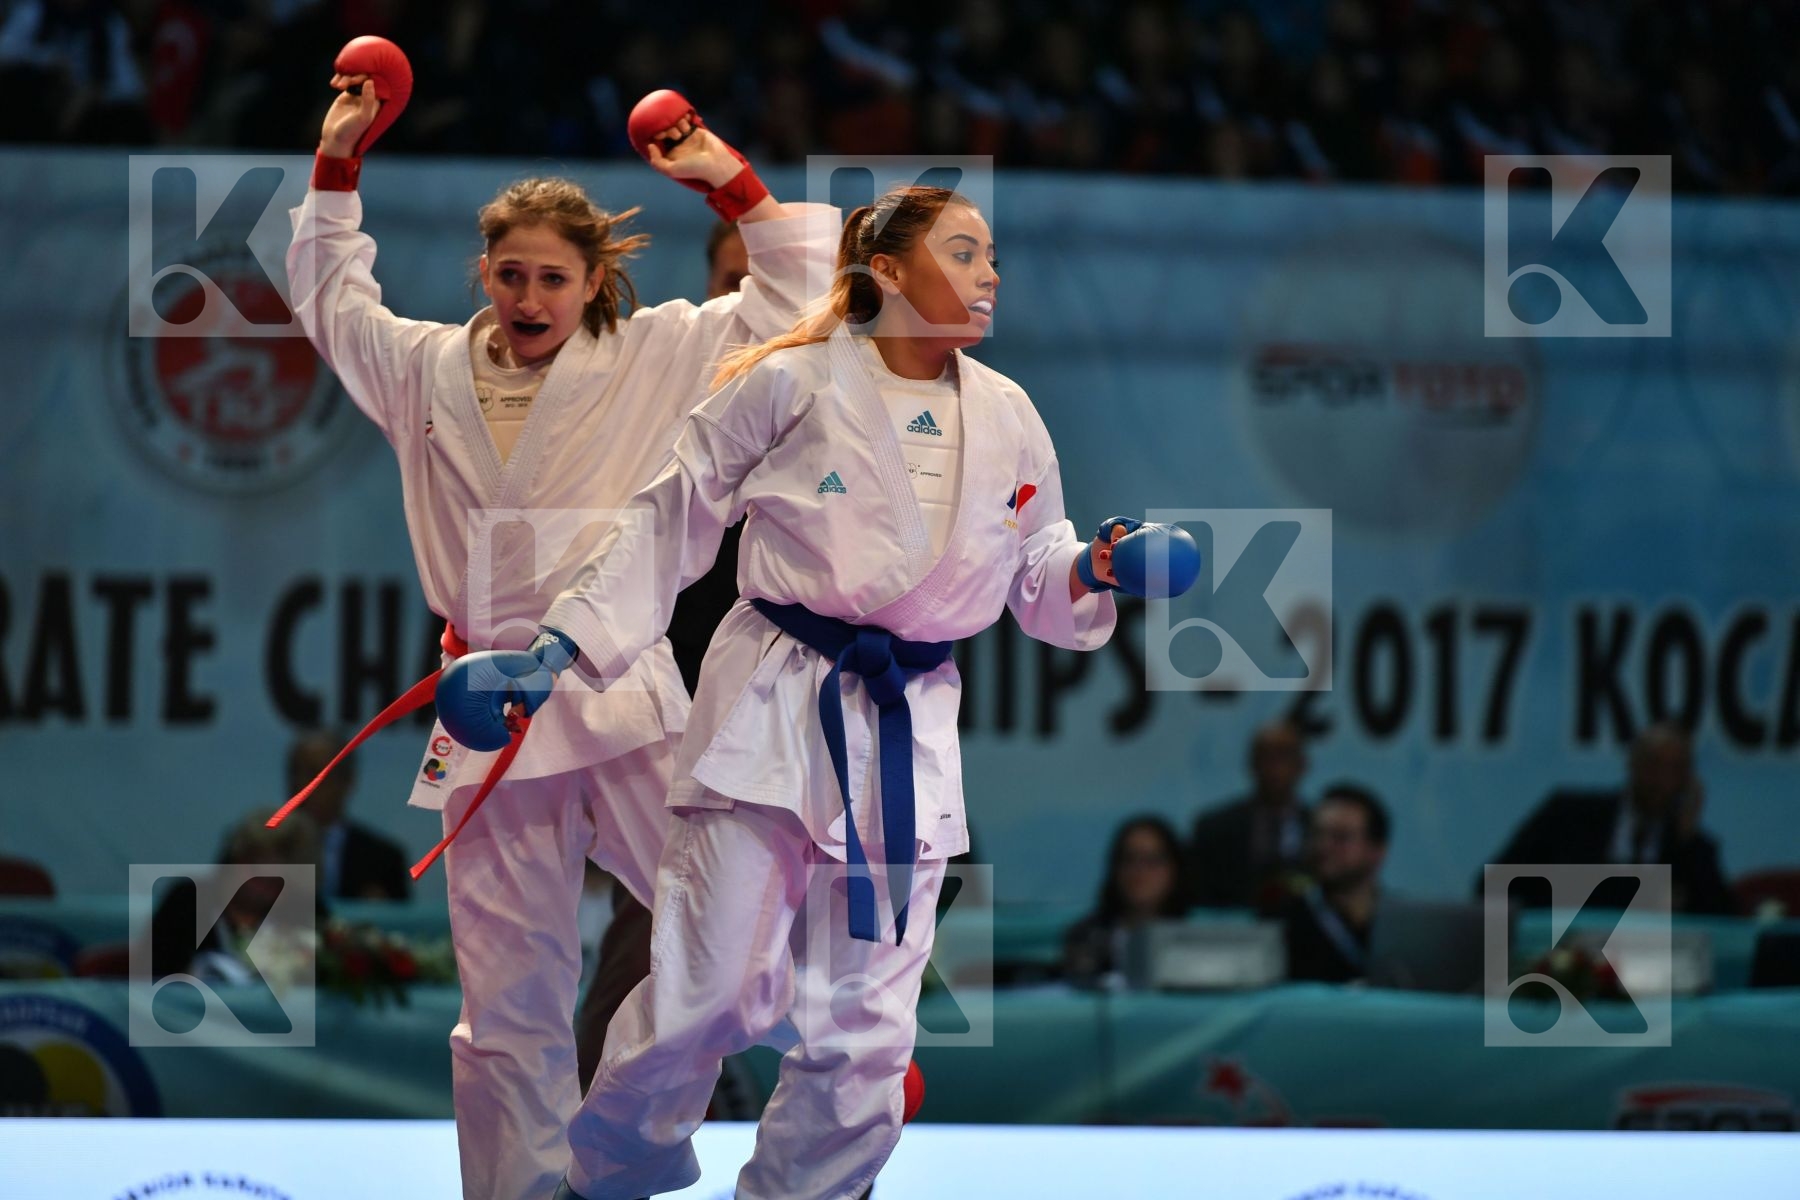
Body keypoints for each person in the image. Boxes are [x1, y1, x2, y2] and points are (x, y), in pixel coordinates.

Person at [505, 183, 1177, 1199]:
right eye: (965, 251)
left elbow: (1033, 568)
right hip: (773, 705)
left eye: (992, 253)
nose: (992, 272)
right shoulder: (789, 382)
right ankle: (603, 1178)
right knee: (708, 994)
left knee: (867, 1033)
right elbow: (668, 513)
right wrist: (561, 643)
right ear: (892, 272)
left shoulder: (1008, 414)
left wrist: (1093, 570)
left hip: (905, 729)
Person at [284, 51, 839, 1200]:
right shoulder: (423, 368)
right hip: (484, 707)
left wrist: (728, 181)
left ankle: (717, 1122)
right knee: (505, 1007)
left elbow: (795, 301)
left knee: (725, 949)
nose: (529, 300)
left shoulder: (657, 352)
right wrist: (336, 164)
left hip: (619, 686)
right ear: (484, 272)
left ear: (595, 284)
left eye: (553, 279)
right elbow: (332, 300)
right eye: (511, 276)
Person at [575, 220, 750, 1095]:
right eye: (731, 281)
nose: (748, 302)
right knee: (648, 944)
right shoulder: (662, 414)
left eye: (766, 281)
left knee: (837, 990)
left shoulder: (840, 424)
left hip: (799, 744)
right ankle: (590, 1177)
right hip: (670, 742)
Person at [1480, 723, 1735, 915]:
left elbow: (1724, 921)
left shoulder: (1692, 847)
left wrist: (1687, 840)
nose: (1664, 781)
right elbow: (1492, 884)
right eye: (1654, 765)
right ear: (1632, 764)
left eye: (1677, 769)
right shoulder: (1567, 817)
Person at [1186, 718, 1311, 909]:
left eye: (1284, 755)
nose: (1275, 767)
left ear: (1302, 764)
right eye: (1266, 756)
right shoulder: (1214, 830)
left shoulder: (1321, 829)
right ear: (1251, 764)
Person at [1278, 782, 1389, 984]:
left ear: (1376, 851)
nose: (1323, 846)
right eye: (1317, 834)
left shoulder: (1403, 926)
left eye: (1341, 837)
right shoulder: (1285, 921)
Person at [1062, 815, 1189, 987]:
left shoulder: (1192, 937)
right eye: (1129, 859)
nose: (1140, 871)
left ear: (1174, 869)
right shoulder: (1086, 938)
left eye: (1152, 860)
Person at [286, 730, 411, 902]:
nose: (300, 783)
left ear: (347, 781)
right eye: (294, 772)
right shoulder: (257, 850)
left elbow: (401, 925)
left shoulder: (384, 860)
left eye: (313, 774)